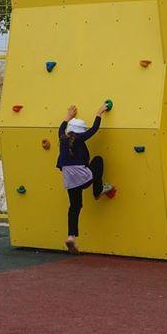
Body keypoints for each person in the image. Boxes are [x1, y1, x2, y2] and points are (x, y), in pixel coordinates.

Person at [58, 103, 115, 254]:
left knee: (75, 206)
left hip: (69, 179)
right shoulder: (79, 138)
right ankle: (98, 190)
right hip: (83, 177)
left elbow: (61, 128)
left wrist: (68, 116)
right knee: (98, 161)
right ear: (79, 132)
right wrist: (99, 112)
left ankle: (71, 237)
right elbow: (94, 129)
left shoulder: (62, 138)